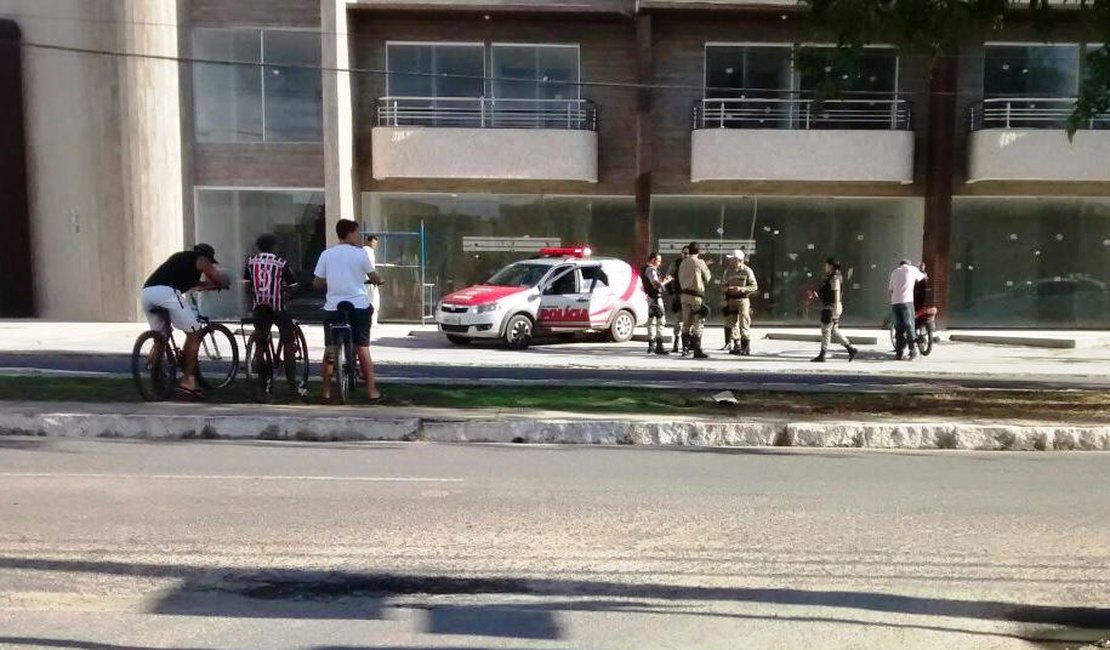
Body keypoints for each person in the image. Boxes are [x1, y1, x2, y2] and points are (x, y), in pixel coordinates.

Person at [140, 243, 229, 398]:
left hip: (147, 293)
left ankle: (156, 382)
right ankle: (188, 382)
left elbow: (196, 285)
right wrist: (222, 283)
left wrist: (208, 286)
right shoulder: (201, 259)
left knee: (161, 338)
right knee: (195, 334)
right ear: (207, 256)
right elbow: (215, 277)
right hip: (166, 293)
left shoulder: (180, 259)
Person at [314, 219, 382, 402]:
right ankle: (371, 391)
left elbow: (317, 282)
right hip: (358, 307)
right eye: (357, 232)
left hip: (333, 307)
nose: (359, 236)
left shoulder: (326, 254)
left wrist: (333, 282)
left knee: (330, 348)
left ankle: (326, 391)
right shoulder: (361, 254)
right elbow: (374, 276)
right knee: (362, 347)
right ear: (350, 233)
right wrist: (378, 280)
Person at [243, 233, 301, 391]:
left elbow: (247, 286)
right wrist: (289, 292)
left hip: (259, 306)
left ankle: (260, 376)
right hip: (277, 305)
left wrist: (252, 300)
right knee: (289, 340)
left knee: (261, 340)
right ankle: (292, 382)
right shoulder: (280, 263)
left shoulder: (250, 262)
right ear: (274, 246)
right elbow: (293, 285)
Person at [812, 257, 859, 363]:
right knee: (834, 330)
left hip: (831, 307)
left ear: (831, 266)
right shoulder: (832, 277)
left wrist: (837, 305)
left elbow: (836, 291)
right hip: (832, 305)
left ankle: (823, 354)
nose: (825, 267)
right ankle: (851, 349)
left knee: (826, 330)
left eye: (826, 265)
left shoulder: (835, 277)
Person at [721, 249, 759, 356]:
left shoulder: (747, 271)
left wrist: (741, 289)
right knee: (732, 323)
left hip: (743, 300)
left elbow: (754, 286)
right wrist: (727, 289)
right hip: (731, 299)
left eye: (732, 259)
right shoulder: (728, 271)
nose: (730, 261)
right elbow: (723, 285)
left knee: (744, 322)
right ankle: (736, 344)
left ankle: (746, 346)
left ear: (738, 260)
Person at [678, 241, 712, 359]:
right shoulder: (699, 262)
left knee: (686, 323)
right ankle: (697, 349)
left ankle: (685, 349)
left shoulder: (683, 262)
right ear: (698, 251)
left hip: (684, 296)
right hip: (696, 296)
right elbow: (707, 278)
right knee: (698, 322)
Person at [889, 258, 927, 360]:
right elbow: (923, 277)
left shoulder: (894, 272)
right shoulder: (912, 269)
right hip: (907, 302)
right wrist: (922, 270)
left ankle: (899, 353)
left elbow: (891, 289)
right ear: (909, 264)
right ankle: (913, 352)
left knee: (899, 328)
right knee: (910, 326)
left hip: (895, 303)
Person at [640, 252, 671, 355]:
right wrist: (665, 281)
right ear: (653, 260)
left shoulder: (644, 269)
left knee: (651, 321)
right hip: (655, 299)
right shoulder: (651, 270)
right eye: (658, 261)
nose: (660, 263)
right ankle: (659, 345)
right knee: (660, 321)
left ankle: (651, 345)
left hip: (649, 298)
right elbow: (656, 285)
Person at [666, 246, 690, 354]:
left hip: (690, 295)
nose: (686, 255)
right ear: (681, 253)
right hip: (679, 295)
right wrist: (671, 291)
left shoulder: (693, 264)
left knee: (690, 321)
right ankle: (676, 344)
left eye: (688, 253)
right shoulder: (676, 263)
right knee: (678, 321)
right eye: (684, 253)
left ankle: (688, 345)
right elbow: (669, 276)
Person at [364, 235, 382, 332]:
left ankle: (372, 321)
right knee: (373, 300)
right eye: (373, 242)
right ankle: (372, 322)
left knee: (372, 300)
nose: (375, 245)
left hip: (368, 281)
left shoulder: (367, 251)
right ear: (367, 241)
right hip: (369, 281)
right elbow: (369, 267)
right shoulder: (367, 251)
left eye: (376, 243)